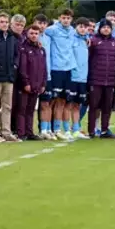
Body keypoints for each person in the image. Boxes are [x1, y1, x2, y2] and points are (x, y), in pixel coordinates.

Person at [45, 9, 77, 141]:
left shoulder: (72, 31)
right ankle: (47, 128)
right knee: (52, 100)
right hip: (56, 69)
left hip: (68, 69)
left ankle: (57, 129)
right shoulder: (51, 30)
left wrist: (87, 38)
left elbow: (82, 36)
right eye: (63, 18)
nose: (66, 20)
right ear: (59, 18)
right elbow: (41, 33)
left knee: (63, 100)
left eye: (68, 18)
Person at [88, 18, 115, 138]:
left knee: (107, 107)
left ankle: (105, 130)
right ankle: (91, 130)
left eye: (108, 27)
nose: (106, 29)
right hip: (96, 80)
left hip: (110, 80)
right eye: (104, 27)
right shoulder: (93, 41)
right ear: (99, 28)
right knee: (94, 106)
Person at [16, 25, 46, 141]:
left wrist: (43, 83)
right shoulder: (23, 48)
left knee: (31, 109)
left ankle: (29, 132)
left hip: (37, 84)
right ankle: (21, 133)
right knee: (22, 109)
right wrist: (25, 82)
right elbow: (22, 68)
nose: (34, 35)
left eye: (36, 33)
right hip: (25, 85)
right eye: (32, 33)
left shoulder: (41, 50)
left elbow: (44, 68)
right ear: (27, 34)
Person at [0, 13, 19, 143]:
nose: (4, 24)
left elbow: (16, 54)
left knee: (7, 106)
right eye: (2, 22)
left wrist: (15, 65)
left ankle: (6, 132)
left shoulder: (11, 37)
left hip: (9, 77)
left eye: (6, 22)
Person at [66, 17, 91, 140]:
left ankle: (76, 129)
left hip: (83, 77)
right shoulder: (71, 38)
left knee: (77, 105)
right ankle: (65, 130)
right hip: (72, 76)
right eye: (81, 26)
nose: (83, 29)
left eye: (85, 27)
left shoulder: (87, 40)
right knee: (67, 104)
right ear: (76, 27)